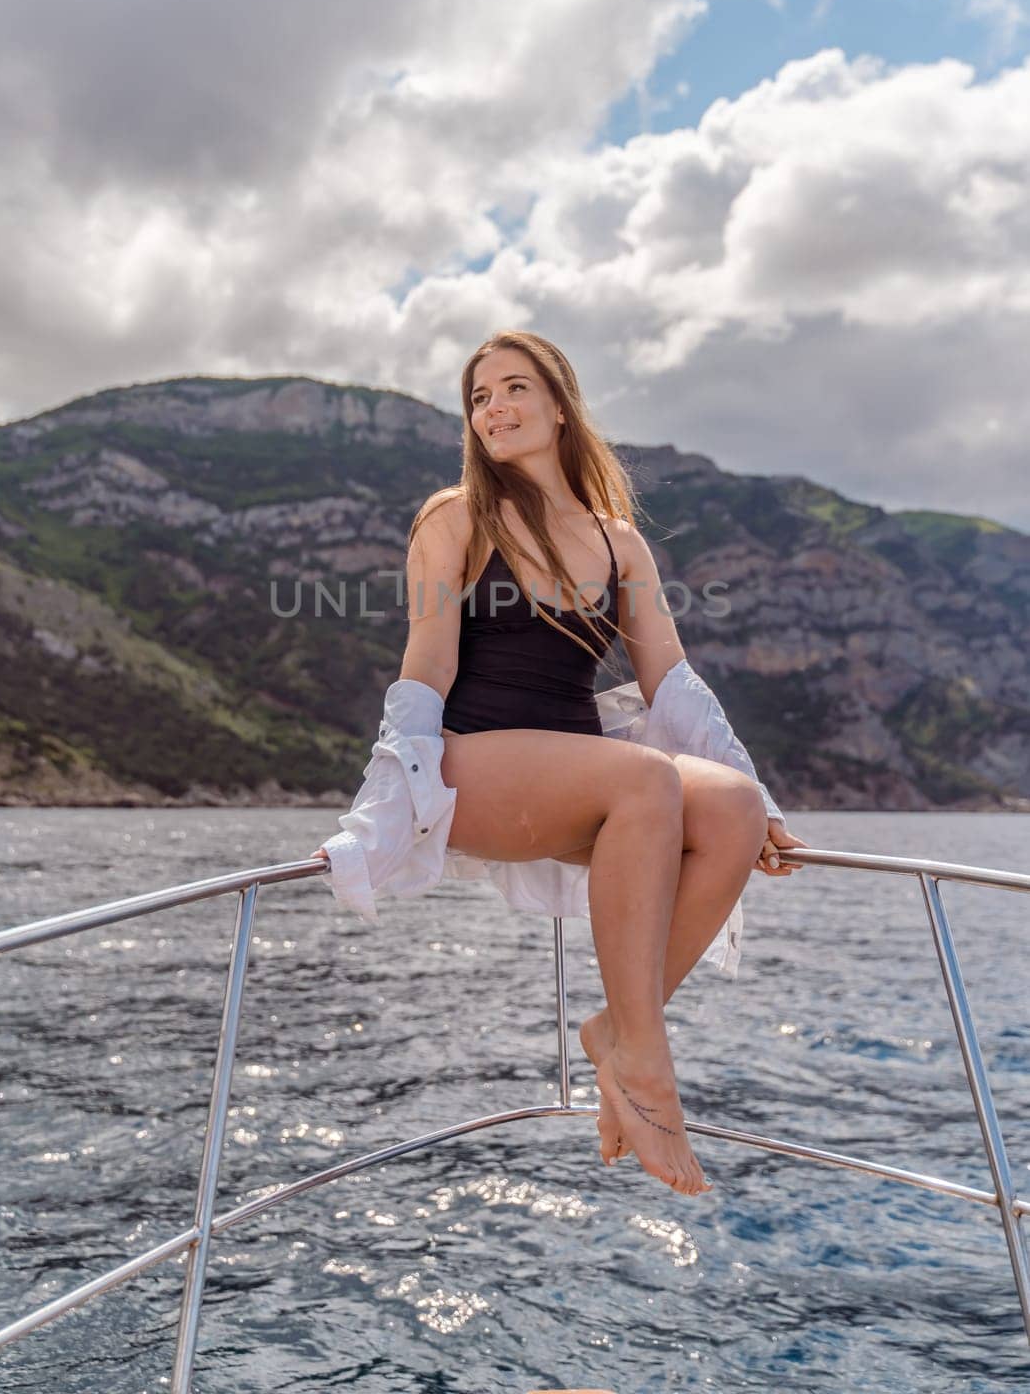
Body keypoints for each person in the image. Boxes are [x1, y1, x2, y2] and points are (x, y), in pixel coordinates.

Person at [313, 330, 805, 1197]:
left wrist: (755, 788)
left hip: (584, 774)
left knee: (724, 809)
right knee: (644, 778)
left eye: (513, 388)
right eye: (478, 397)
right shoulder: (454, 516)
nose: (494, 408)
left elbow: (672, 683)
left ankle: (614, 1029)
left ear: (557, 403)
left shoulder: (620, 544)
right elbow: (425, 663)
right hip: (479, 770)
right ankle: (646, 1068)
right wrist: (388, 796)